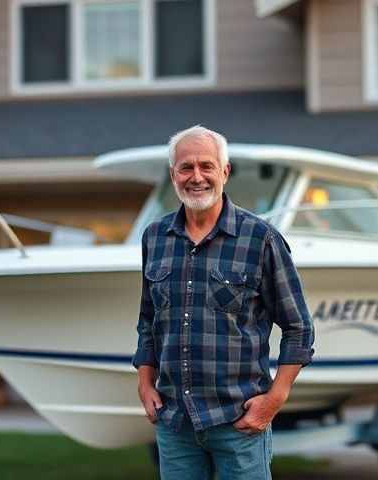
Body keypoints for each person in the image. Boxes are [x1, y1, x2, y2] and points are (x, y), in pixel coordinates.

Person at [132, 125, 316, 480]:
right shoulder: (154, 238)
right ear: (173, 175)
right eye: (186, 167)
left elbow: (299, 328)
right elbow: (148, 320)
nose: (196, 176)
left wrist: (274, 400)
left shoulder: (261, 239)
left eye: (206, 166)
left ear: (225, 172)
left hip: (240, 424)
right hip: (176, 426)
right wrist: (144, 382)